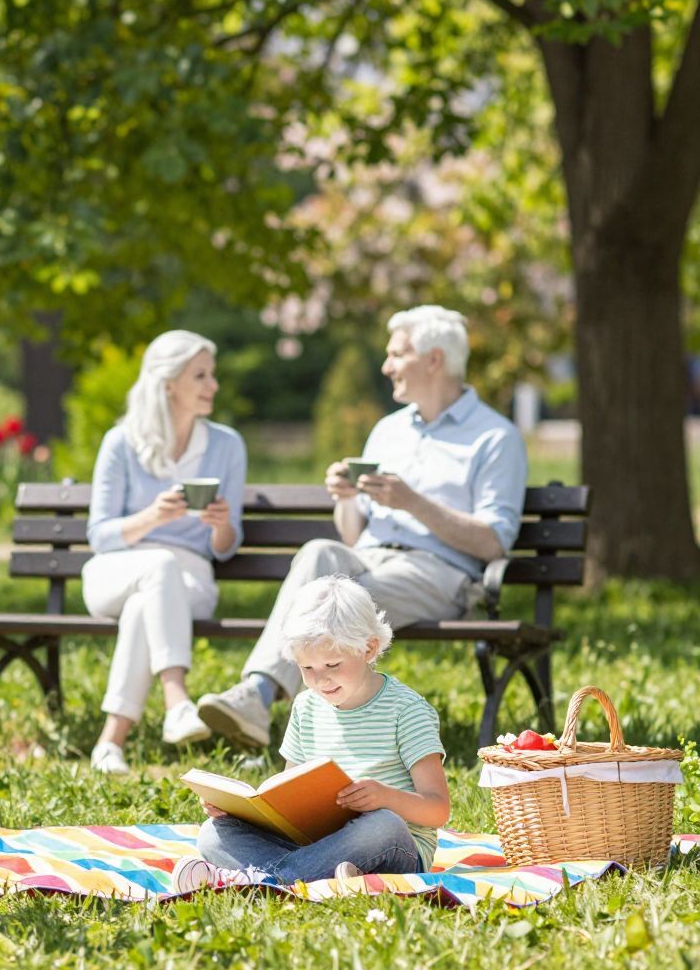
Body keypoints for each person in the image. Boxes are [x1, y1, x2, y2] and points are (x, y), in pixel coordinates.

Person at [194, 305, 528, 749]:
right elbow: (352, 536)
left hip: (438, 575)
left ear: (433, 360)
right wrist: (347, 498)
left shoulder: (495, 437)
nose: (387, 366)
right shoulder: (389, 430)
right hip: (369, 559)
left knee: (333, 599)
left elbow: (492, 542)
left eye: (396, 354)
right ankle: (258, 693)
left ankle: (279, 710)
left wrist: (411, 502)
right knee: (319, 552)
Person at [175, 576, 449, 891]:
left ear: (369, 648)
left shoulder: (407, 710)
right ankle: (326, 877)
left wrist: (385, 797)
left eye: (332, 664)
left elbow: (438, 809)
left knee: (382, 824)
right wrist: (243, 811)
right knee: (213, 831)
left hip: (395, 847)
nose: (321, 680)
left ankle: (256, 879)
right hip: (316, 846)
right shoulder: (306, 707)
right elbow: (288, 794)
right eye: (307, 669)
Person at [84, 330, 246, 775]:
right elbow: (99, 535)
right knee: (157, 566)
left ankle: (109, 744)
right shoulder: (121, 443)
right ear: (169, 383)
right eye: (201, 375)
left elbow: (228, 548)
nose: (213, 385)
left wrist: (220, 526)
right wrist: (151, 518)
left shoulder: (227, 445)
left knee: (146, 602)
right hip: (115, 570)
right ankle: (176, 698)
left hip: (190, 579)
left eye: (211, 375)